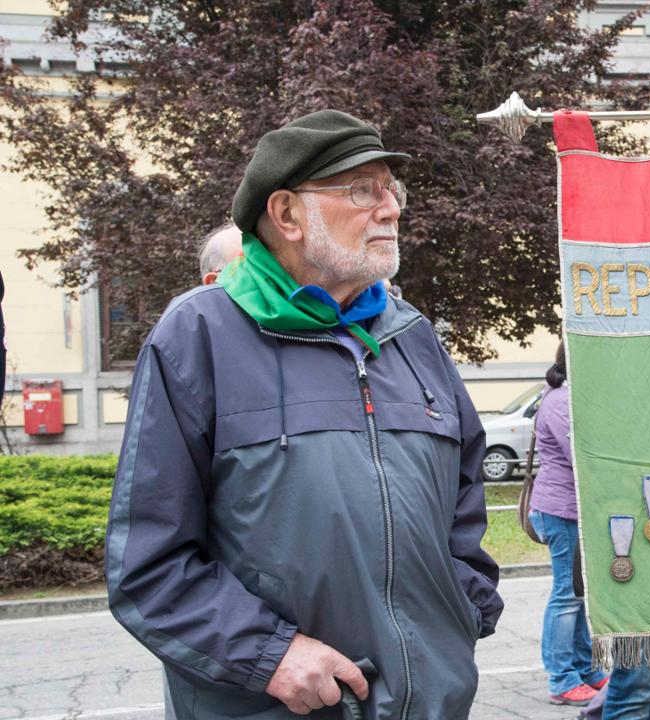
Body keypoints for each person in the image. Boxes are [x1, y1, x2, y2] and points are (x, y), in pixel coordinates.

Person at [106, 109, 502, 720]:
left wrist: (463, 610)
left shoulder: (413, 335)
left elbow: (465, 498)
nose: (391, 208)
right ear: (287, 214)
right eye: (360, 190)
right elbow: (148, 566)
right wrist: (270, 655)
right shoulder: (197, 335)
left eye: (391, 189)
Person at [528, 341, 610, 705]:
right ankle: (562, 678)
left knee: (579, 594)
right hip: (561, 510)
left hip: (575, 510)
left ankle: (585, 668)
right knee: (566, 594)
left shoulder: (571, 396)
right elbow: (582, 455)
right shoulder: (561, 401)